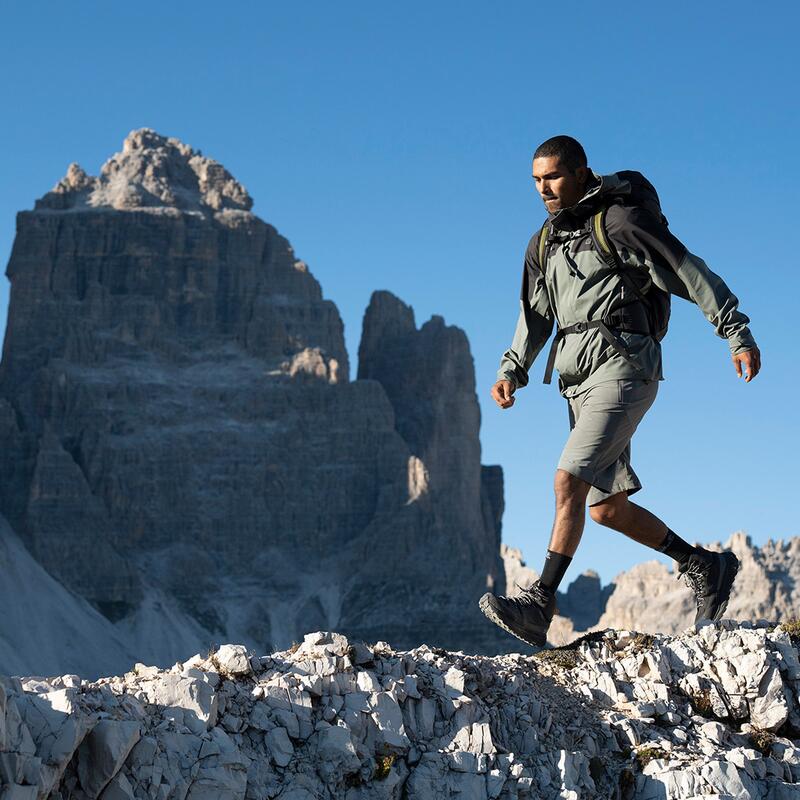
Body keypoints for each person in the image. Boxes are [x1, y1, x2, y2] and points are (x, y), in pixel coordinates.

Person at [479, 135, 761, 648]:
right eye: (537, 180)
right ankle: (703, 564)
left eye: (554, 177)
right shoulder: (542, 243)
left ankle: (539, 603)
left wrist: (734, 331)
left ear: (583, 172)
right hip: (576, 382)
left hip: (625, 366)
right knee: (605, 508)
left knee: (568, 481)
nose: (544, 188)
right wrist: (513, 369)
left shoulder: (621, 223)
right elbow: (534, 315)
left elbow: (688, 270)